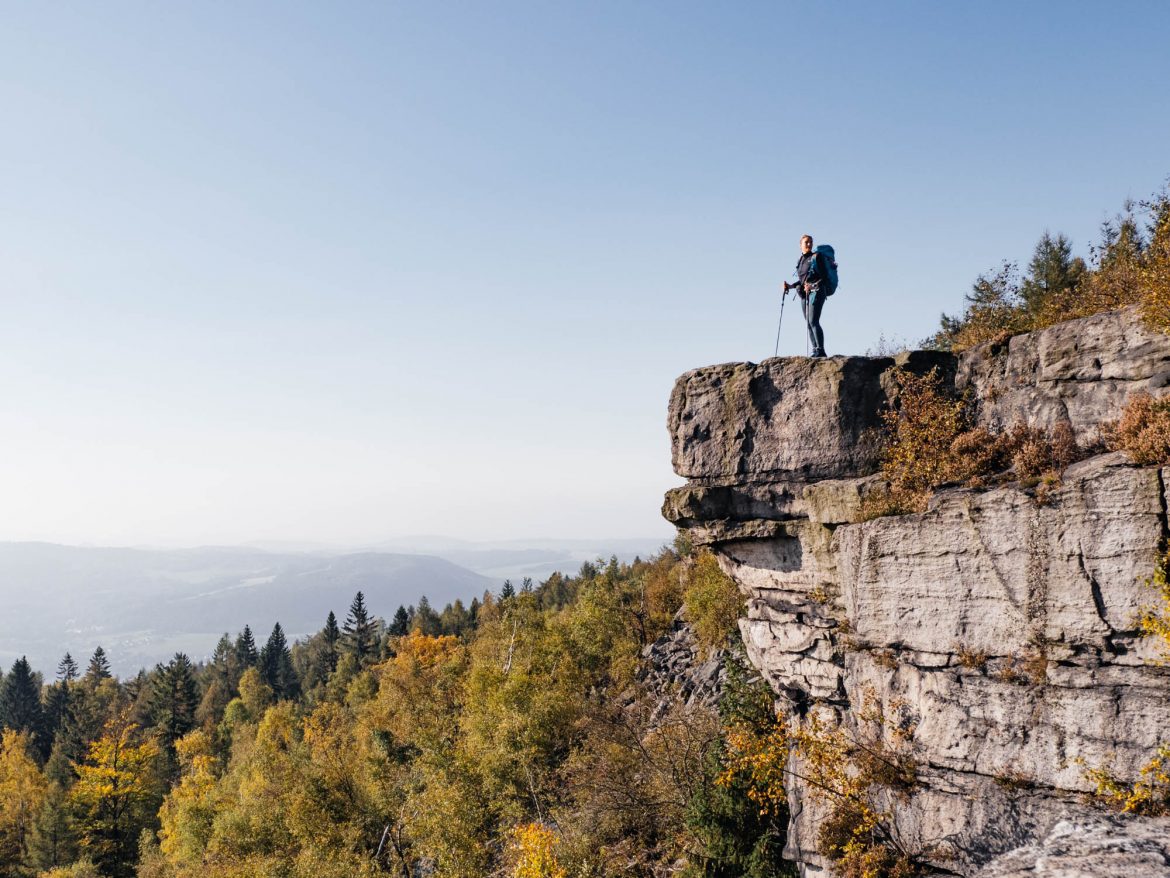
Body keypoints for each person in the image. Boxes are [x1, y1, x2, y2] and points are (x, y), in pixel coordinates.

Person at [783, 234, 829, 357]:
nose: (809, 244)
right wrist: (790, 286)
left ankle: (821, 350)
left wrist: (812, 286)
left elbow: (824, 277)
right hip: (805, 294)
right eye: (806, 242)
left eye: (810, 242)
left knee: (814, 321)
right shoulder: (800, 260)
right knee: (808, 323)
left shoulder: (816, 257)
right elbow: (802, 281)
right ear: (800, 245)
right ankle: (815, 349)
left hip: (818, 291)